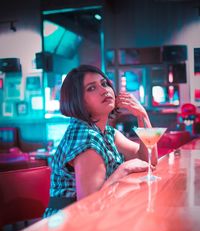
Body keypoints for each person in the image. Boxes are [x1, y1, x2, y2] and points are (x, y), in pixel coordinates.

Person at [43, 64, 157, 218]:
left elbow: (148, 159)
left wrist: (142, 115)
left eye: (104, 84)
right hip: (67, 225)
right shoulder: (86, 138)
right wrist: (124, 169)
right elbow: (90, 204)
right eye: (91, 88)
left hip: (94, 219)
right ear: (78, 101)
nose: (104, 90)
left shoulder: (107, 132)